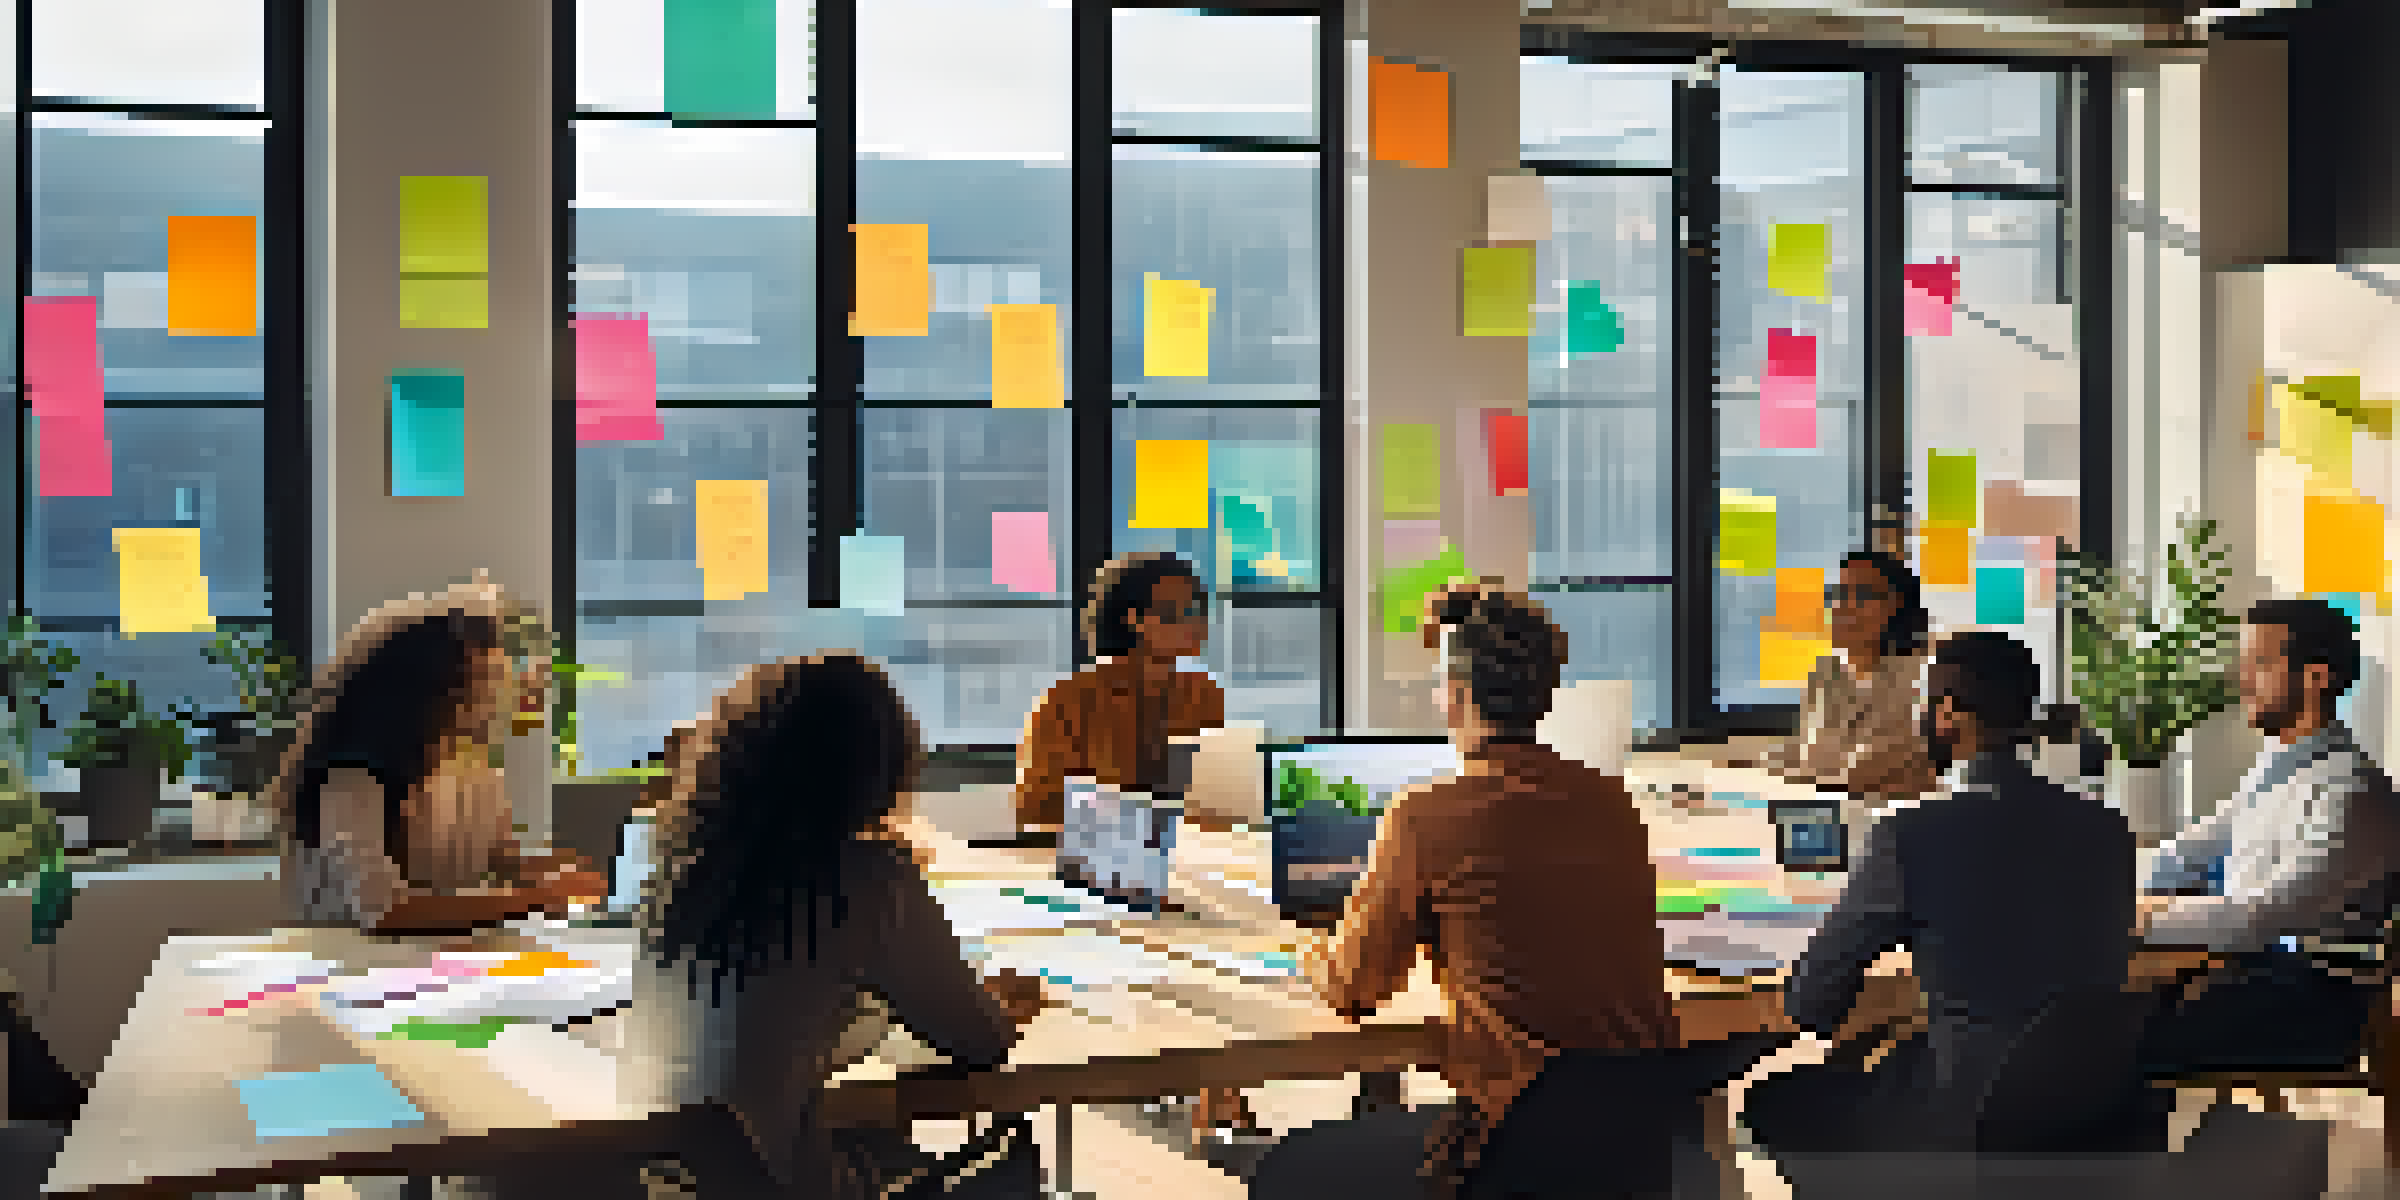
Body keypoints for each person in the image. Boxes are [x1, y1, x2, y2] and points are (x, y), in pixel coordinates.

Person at [1273, 584, 1681, 1197]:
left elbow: (1355, 987)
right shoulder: (1612, 802)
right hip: (1638, 1146)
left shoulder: (1428, 813)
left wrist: (1305, 945)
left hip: (1517, 1150)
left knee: (1289, 1170)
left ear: (1456, 692)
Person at [624, 654, 1048, 1199]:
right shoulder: (867, 874)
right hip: (779, 1187)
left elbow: (766, 1013)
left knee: (877, 1136)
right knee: (1008, 1157)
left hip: (664, 1181)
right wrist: (1003, 1005)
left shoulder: (683, 869)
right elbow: (980, 1043)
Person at [1742, 632, 2137, 1155]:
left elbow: (1812, 1001)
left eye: (1922, 705)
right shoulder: (2108, 829)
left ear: (1948, 713)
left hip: (1966, 1115)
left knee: (1773, 1098)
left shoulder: (1909, 832)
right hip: (2094, 1113)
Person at [2135, 597, 2400, 1075]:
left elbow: (2265, 916)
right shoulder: (2276, 771)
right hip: (2251, 975)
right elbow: (2180, 856)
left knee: (2119, 1033)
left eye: (2259, 663)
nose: (2241, 680)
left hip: (2314, 997)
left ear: (2315, 677)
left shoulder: (2351, 791)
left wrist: (2138, 917)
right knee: (2101, 1006)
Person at [276, 579, 608, 934]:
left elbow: (498, 858)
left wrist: (545, 870)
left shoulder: (472, 769)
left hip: (439, 966)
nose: (494, 698)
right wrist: (534, 898)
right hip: (354, 970)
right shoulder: (352, 779)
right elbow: (385, 910)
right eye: (474, 687)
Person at [1008, 552, 1226, 845]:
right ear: (1134, 619)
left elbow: (1214, 797)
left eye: (1199, 611)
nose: (1197, 625)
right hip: (1095, 858)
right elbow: (1037, 814)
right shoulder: (1068, 701)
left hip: (1187, 854)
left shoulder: (1202, 693)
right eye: (1178, 613)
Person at [1747, 550, 1938, 803]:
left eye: (1861, 596)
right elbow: (1808, 754)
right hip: (1832, 810)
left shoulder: (1922, 677)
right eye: (1837, 595)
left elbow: (1862, 772)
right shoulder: (1827, 672)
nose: (1841, 607)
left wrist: (1795, 770)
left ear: (1896, 606)